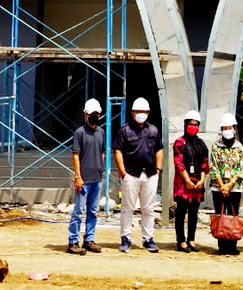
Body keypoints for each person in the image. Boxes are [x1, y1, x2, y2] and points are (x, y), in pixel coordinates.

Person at [114, 96, 164, 253]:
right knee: (127, 208)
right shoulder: (124, 130)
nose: (141, 114)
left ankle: (148, 239)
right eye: (138, 111)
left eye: (144, 111)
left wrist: (158, 170)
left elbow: (159, 150)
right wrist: (123, 172)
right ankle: (126, 238)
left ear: (148, 113)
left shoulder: (153, 130)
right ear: (132, 112)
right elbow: (117, 150)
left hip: (149, 174)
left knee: (148, 208)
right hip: (131, 174)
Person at [67, 98, 106, 254]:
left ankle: (89, 239)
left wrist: (100, 169)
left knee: (93, 211)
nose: (94, 116)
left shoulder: (101, 132)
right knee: (79, 211)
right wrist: (78, 177)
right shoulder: (80, 133)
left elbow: (102, 152)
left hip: (97, 179)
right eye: (92, 113)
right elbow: (75, 155)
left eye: (96, 113)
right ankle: (72, 241)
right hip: (84, 181)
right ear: (85, 114)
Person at [173, 109, 209, 252]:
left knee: (194, 212)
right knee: (181, 212)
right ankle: (181, 241)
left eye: (196, 124)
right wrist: (187, 180)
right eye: (191, 124)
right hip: (183, 183)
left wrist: (201, 180)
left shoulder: (201, 144)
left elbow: (205, 163)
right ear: (185, 125)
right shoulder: (179, 142)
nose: (193, 127)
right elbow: (179, 163)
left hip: (197, 184)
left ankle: (191, 239)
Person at [209, 111, 243, 255]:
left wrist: (229, 185)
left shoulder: (239, 147)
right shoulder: (215, 146)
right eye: (224, 128)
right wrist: (222, 185)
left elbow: (240, 169)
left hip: (235, 187)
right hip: (218, 187)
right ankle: (221, 245)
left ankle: (232, 244)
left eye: (229, 127)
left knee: (233, 215)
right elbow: (213, 166)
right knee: (220, 214)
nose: (227, 130)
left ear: (234, 128)